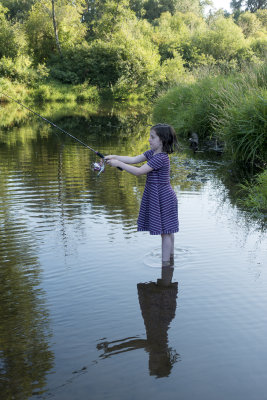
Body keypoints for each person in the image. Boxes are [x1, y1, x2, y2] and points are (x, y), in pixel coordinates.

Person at [105, 123, 179, 267]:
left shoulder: (161, 158)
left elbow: (139, 171)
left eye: (152, 137)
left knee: (166, 232)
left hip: (164, 198)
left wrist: (118, 164)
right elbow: (132, 159)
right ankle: (170, 262)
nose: (149, 140)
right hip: (160, 196)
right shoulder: (152, 153)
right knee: (167, 231)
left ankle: (166, 265)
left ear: (162, 140)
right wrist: (114, 157)